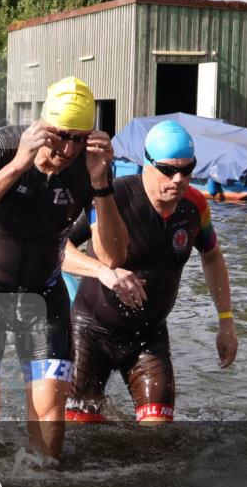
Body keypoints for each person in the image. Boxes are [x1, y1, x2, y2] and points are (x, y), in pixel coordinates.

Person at [0, 77, 128, 459]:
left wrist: (101, 184)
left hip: (43, 299)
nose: (67, 148)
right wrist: (19, 164)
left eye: (78, 138)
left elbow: (113, 258)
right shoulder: (4, 146)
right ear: (42, 127)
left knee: (50, 438)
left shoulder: (88, 167)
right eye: (60, 135)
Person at [63, 120, 238, 424]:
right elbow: (55, 247)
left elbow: (211, 256)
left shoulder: (195, 206)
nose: (180, 179)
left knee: (157, 439)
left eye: (188, 169)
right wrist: (102, 271)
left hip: (148, 336)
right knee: (81, 434)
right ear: (147, 164)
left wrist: (226, 321)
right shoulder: (112, 197)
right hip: (92, 330)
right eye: (169, 170)